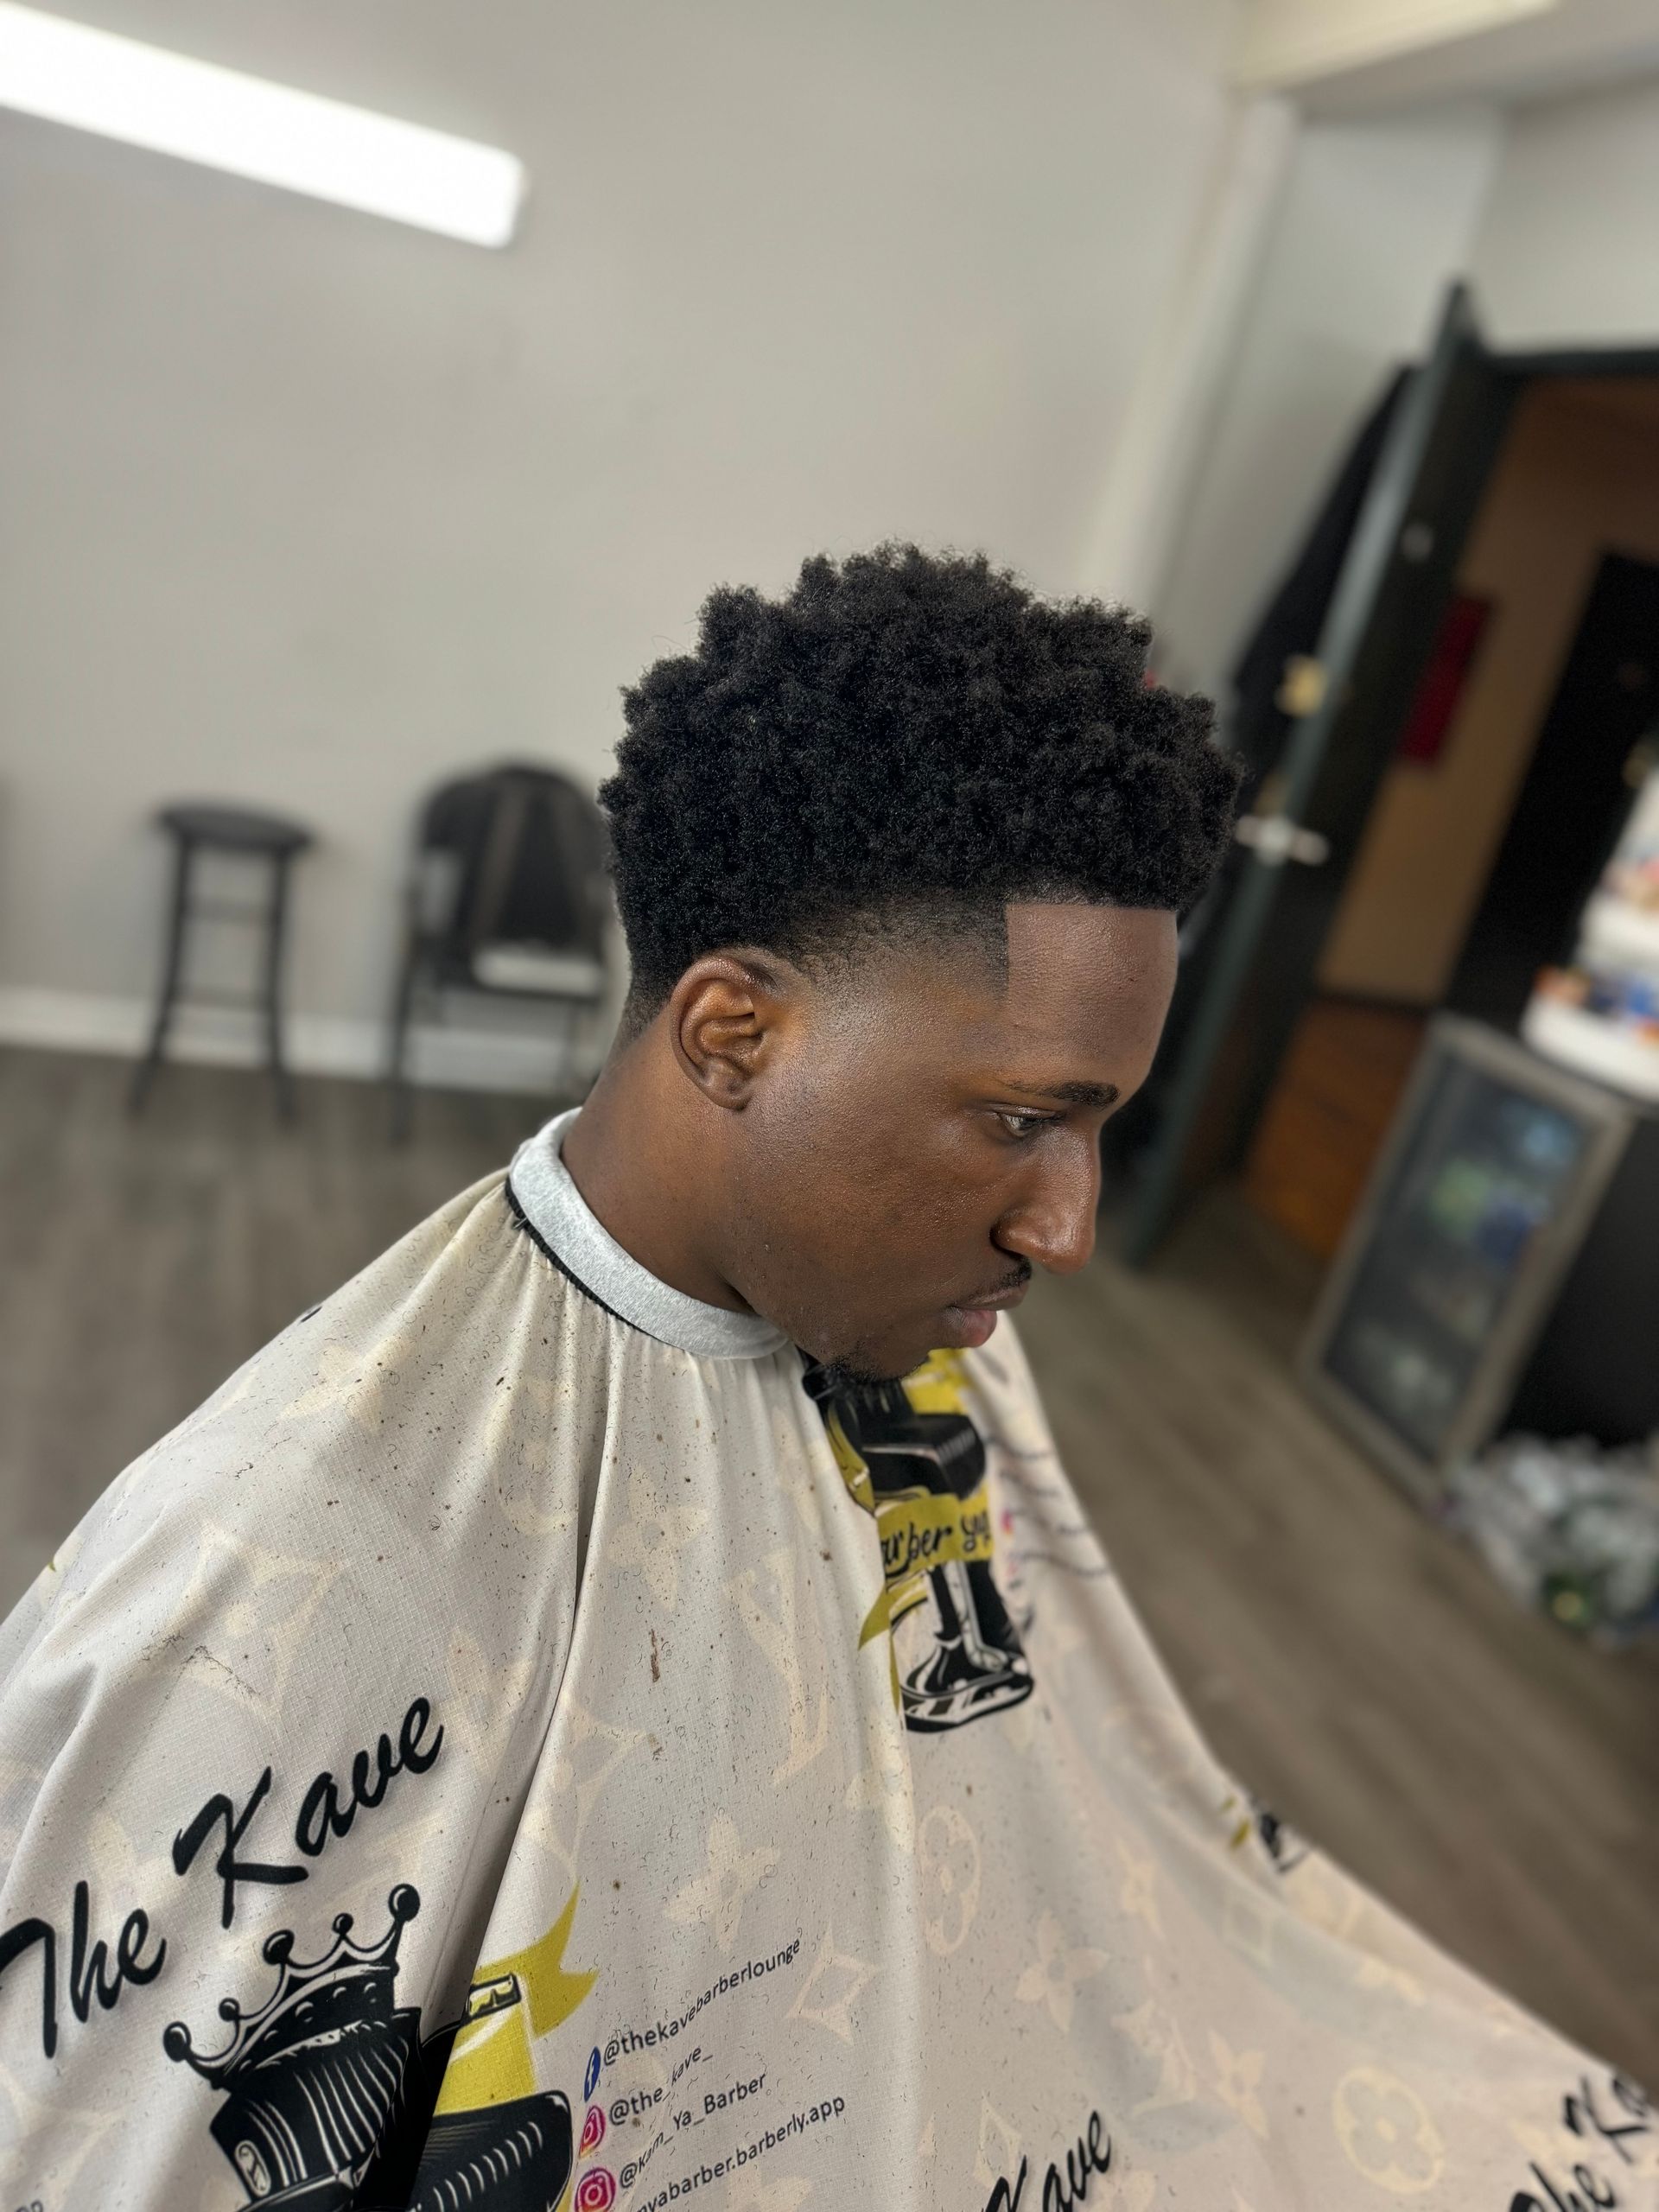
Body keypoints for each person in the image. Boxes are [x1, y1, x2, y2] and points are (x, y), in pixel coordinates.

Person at [0, 546, 1648, 2211]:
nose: (1067, 1229)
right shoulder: (287, 1555)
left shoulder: (923, 1335)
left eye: (1099, 1129)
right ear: (731, 1035)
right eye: (1022, 1120)